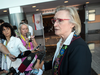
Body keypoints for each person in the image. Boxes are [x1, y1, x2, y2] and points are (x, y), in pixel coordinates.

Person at [33, 5, 92, 75]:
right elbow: (59, 60)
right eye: (54, 20)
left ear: (72, 23)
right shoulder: (62, 41)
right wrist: (43, 66)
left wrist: (38, 73)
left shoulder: (79, 48)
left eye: (60, 20)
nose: (55, 24)